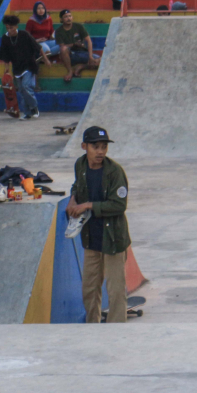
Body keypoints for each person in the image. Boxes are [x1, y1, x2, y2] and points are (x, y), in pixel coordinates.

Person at [66, 126, 132, 323]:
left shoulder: (114, 172)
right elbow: (77, 185)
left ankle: (116, 331)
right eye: (96, 147)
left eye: (104, 147)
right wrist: (73, 198)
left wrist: (87, 205)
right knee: (89, 288)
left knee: (116, 290)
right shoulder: (80, 164)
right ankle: (92, 327)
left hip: (112, 239)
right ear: (84, 146)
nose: (101, 151)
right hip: (91, 236)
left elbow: (119, 205)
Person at [0, 15, 50, 121]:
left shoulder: (24, 34)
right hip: (17, 67)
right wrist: (6, 68)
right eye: (7, 28)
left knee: (26, 87)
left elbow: (38, 47)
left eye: (11, 28)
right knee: (21, 90)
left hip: (29, 65)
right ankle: (27, 113)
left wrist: (46, 59)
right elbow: (5, 55)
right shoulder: (5, 38)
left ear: (16, 26)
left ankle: (34, 107)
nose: (10, 30)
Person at [54, 9, 100, 83]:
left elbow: (89, 41)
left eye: (70, 16)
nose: (68, 18)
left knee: (101, 61)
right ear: (61, 19)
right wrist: (73, 44)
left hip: (82, 53)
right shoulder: (59, 31)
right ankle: (70, 71)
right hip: (70, 55)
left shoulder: (78, 26)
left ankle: (81, 66)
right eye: (66, 17)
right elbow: (62, 46)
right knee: (63, 49)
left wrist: (91, 57)